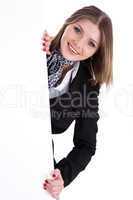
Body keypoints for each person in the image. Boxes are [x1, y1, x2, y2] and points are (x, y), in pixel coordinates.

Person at [42, 5, 113, 199]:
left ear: (96, 52)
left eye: (91, 43)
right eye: (77, 30)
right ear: (68, 23)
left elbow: (86, 145)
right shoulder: (37, 44)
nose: (78, 44)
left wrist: (62, 176)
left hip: (31, 157)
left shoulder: (88, 87)